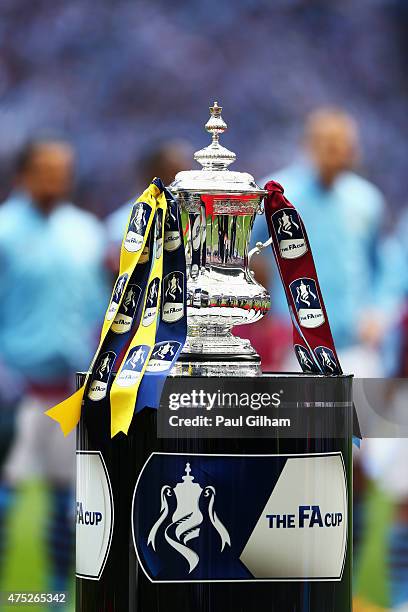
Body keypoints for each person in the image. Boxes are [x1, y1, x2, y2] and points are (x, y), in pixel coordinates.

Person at [0, 139, 109, 590]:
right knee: (5, 498)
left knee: (70, 499)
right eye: (44, 169)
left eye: (62, 169)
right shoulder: (4, 229)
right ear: (22, 174)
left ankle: (54, 595)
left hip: (69, 386)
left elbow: (101, 308)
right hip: (12, 383)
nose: (54, 178)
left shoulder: (86, 232)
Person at [251, 107, 391, 377]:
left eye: (342, 143)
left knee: (360, 419)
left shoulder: (366, 200)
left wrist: (378, 310)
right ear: (308, 144)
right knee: (300, 419)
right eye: (328, 142)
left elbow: (380, 267)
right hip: (297, 345)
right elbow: (242, 249)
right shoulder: (277, 196)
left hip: (355, 345)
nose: (336, 150)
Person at [106, 139, 192, 260]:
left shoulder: (193, 217)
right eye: (173, 174)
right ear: (152, 173)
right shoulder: (123, 222)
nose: (178, 183)